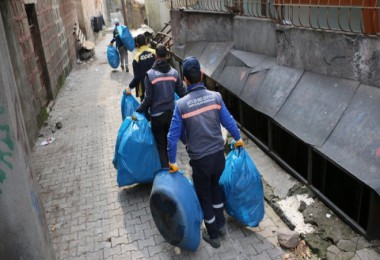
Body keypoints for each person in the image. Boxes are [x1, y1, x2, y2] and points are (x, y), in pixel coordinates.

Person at [167, 56, 244, 248]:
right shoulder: (215, 97)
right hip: (219, 157)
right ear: (201, 75)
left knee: (205, 196)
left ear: (184, 79)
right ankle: (222, 225)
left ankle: (213, 236)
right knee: (216, 189)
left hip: (200, 161)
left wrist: (172, 161)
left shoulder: (181, 105)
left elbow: (172, 136)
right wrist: (238, 138)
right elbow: (228, 121)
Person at [135, 44, 186, 168]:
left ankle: (165, 172)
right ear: (167, 55)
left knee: (161, 146)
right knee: (170, 144)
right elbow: (182, 92)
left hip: (157, 117)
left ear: (156, 56)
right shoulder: (174, 73)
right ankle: (173, 168)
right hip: (172, 115)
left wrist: (139, 110)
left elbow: (148, 99)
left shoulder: (150, 75)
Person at [129, 34, 156, 101]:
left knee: (145, 109)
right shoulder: (155, 52)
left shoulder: (136, 58)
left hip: (144, 90)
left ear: (137, 44)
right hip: (157, 86)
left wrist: (129, 87)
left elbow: (137, 78)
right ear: (146, 42)